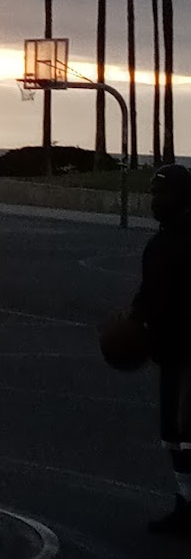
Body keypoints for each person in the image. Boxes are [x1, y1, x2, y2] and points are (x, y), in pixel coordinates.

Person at [130, 164, 191, 535]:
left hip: (188, 351)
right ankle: (184, 503)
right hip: (170, 350)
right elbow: (148, 295)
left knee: (186, 429)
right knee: (175, 433)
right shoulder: (158, 243)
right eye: (153, 194)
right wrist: (135, 319)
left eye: (162, 194)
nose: (155, 202)